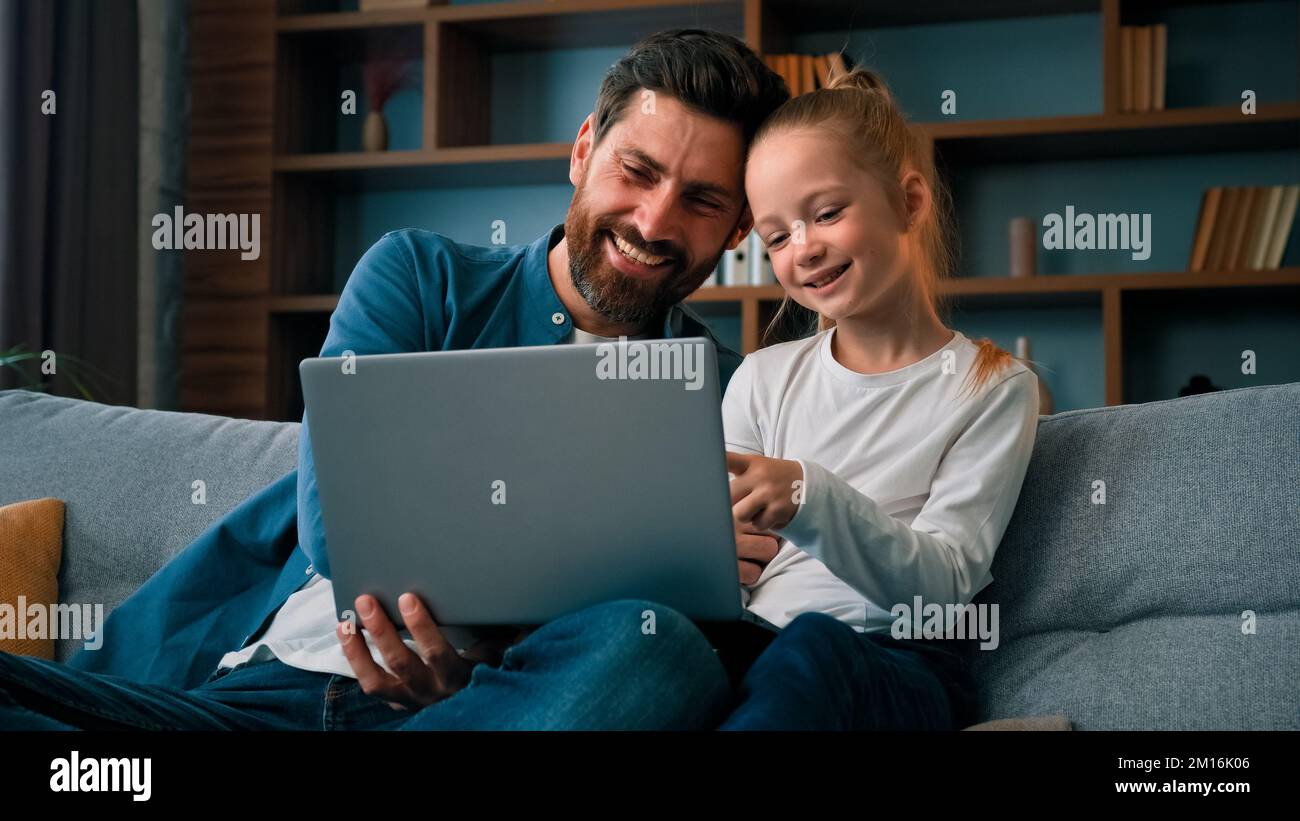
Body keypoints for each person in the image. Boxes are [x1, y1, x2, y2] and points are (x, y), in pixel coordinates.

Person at [0, 29, 790, 731]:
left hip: (520, 704)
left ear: (739, 225)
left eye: (701, 200)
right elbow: (339, 519)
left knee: (660, 656)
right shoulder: (419, 275)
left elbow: (705, 634)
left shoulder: (733, 393)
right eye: (637, 171)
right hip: (269, 694)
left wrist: (492, 664)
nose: (654, 222)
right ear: (583, 149)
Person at [710, 67, 1041, 730]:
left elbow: (946, 587)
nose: (802, 249)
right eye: (776, 237)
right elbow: (727, 569)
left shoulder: (994, 386)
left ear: (909, 202)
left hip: (901, 662)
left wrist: (811, 495)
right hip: (762, 647)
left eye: (826, 213)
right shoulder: (760, 377)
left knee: (809, 645)